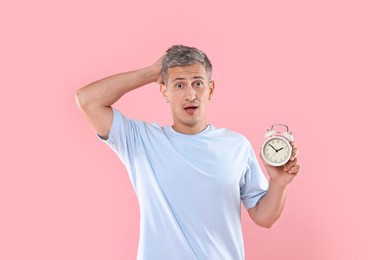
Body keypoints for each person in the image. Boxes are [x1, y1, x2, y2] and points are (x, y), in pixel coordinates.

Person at [75, 45, 300, 260]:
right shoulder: (140, 140)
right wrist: (151, 73)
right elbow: (87, 100)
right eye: (179, 85)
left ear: (210, 89)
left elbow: (264, 218)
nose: (190, 94)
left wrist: (278, 183)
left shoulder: (237, 145)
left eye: (198, 83)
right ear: (164, 91)